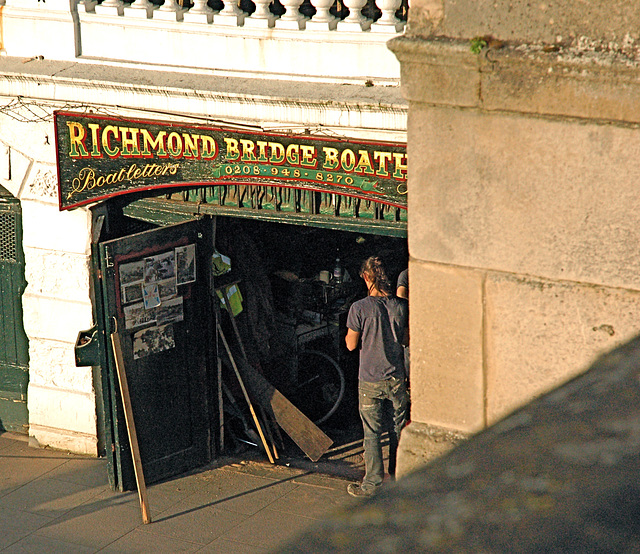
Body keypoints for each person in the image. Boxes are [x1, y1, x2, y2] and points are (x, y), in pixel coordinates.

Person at [345, 256, 410, 498]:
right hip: (395, 378)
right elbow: (406, 340)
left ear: (366, 277)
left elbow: (351, 345)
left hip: (370, 380)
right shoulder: (401, 306)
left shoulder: (359, 308)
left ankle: (372, 484)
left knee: (372, 433)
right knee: (397, 430)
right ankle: (396, 479)